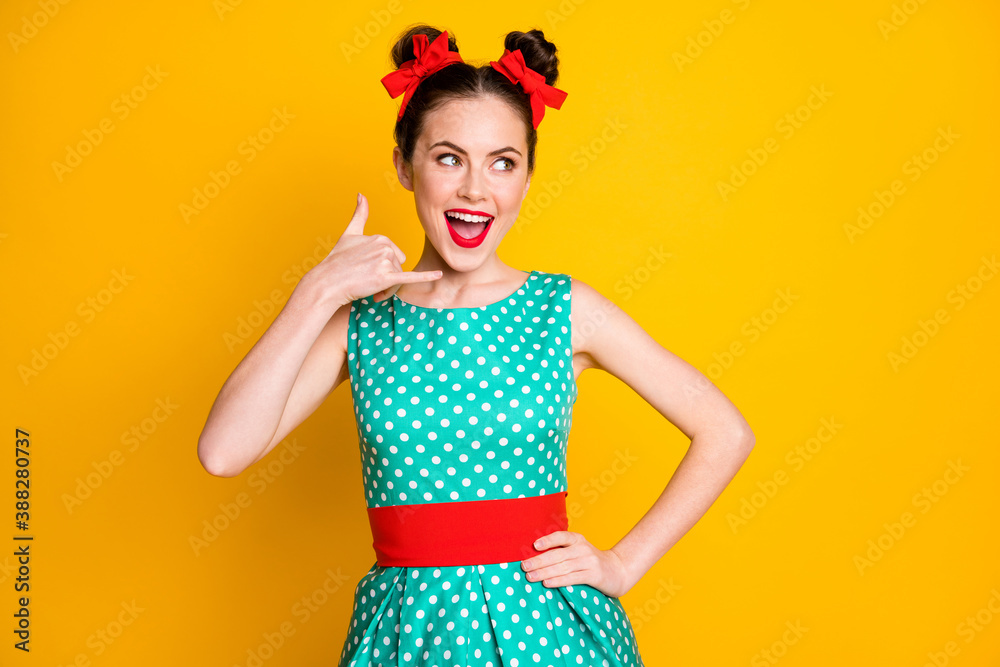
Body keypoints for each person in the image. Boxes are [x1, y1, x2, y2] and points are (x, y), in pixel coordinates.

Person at [197, 23, 755, 667]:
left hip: (549, 636)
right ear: (405, 166)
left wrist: (623, 563)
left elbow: (724, 429)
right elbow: (222, 451)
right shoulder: (361, 324)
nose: (474, 188)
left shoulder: (564, 310)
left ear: (525, 178)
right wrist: (315, 294)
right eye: (448, 157)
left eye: (503, 163)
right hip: (406, 637)